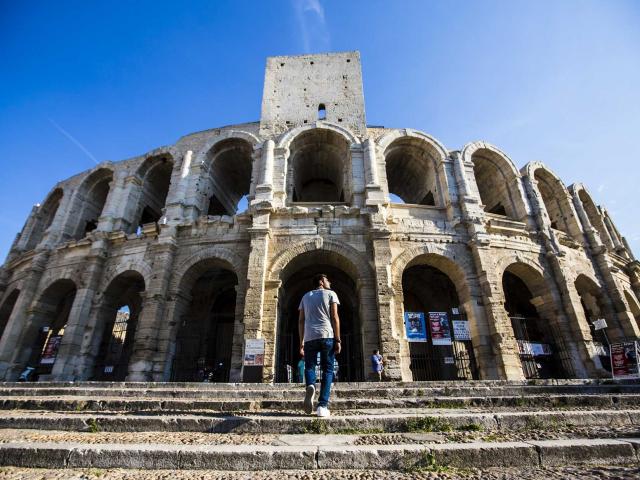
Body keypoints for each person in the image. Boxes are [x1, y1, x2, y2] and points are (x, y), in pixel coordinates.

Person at [298, 273, 341, 417]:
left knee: (309, 366)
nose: (330, 282)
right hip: (326, 335)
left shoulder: (305, 296)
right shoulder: (331, 294)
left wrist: (301, 342)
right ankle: (322, 406)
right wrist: (338, 339)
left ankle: (310, 384)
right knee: (328, 370)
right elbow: (334, 317)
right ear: (321, 282)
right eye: (328, 279)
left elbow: (301, 321)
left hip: (310, 337)